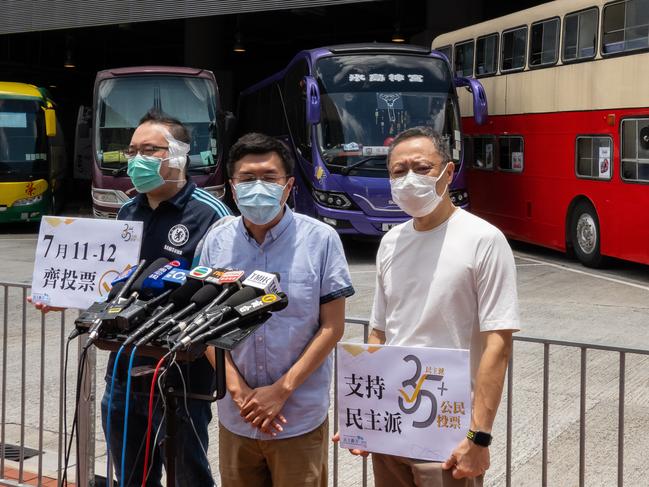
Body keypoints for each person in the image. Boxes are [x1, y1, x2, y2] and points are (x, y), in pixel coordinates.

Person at [30, 109, 232, 486]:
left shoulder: (211, 215)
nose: (136, 159)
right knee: (131, 472)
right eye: (132, 150)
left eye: (149, 149)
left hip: (182, 373)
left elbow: (217, 298)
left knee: (188, 471)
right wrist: (65, 295)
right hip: (125, 365)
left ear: (177, 155)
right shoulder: (127, 210)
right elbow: (110, 282)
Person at [338, 126, 519, 487]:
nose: (408, 180)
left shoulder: (483, 239)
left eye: (421, 168)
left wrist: (479, 437)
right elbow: (379, 333)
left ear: (447, 173)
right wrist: (364, 418)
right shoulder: (391, 243)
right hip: (392, 425)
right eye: (398, 172)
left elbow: (498, 344)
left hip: (449, 434)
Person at [198, 132, 354, 487]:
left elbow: (332, 326)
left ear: (288, 186)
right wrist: (238, 392)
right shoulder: (217, 240)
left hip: (297, 417)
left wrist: (281, 391)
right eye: (247, 178)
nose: (258, 187)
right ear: (232, 187)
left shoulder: (321, 240)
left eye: (269, 178)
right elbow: (206, 324)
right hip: (237, 415)